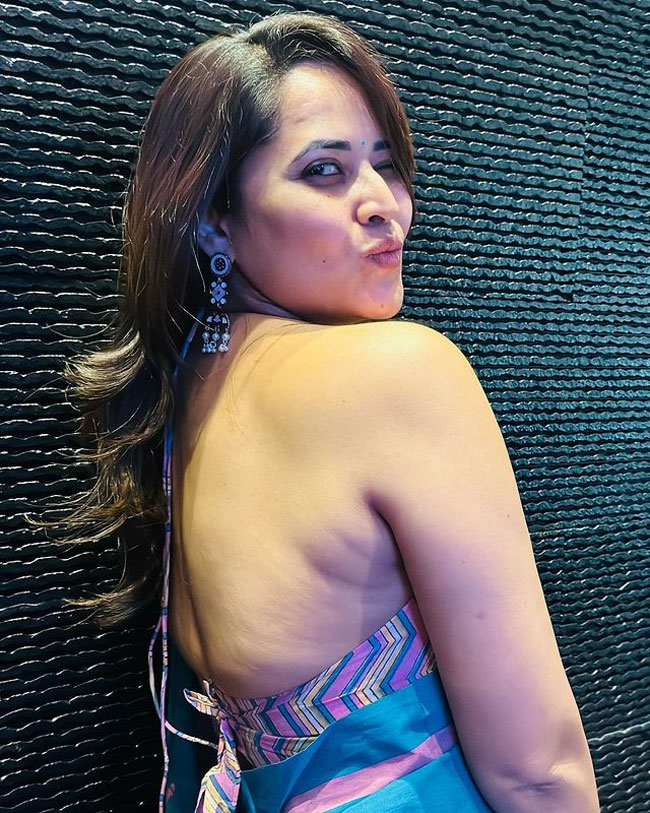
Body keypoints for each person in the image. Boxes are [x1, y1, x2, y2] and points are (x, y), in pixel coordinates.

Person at [38, 11, 600, 812]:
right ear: (215, 217)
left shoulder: (189, 397)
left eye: (385, 165)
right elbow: (538, 770)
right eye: (324, 171)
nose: (383, 203)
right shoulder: (399, 373)